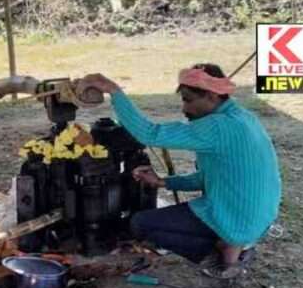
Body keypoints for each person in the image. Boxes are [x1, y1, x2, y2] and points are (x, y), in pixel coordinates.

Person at [78, 64, 281, 271]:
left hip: (237, 217)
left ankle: (224, 253)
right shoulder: (243, 117)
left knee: (140, 224)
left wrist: (112, 89)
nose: (184, 109)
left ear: (212, 96)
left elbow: (150, 134)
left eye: (188, 100)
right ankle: (237, 244)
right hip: (258, 216)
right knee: (162, 221)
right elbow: (207, 177)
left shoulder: (218, 127)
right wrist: (164, 182)